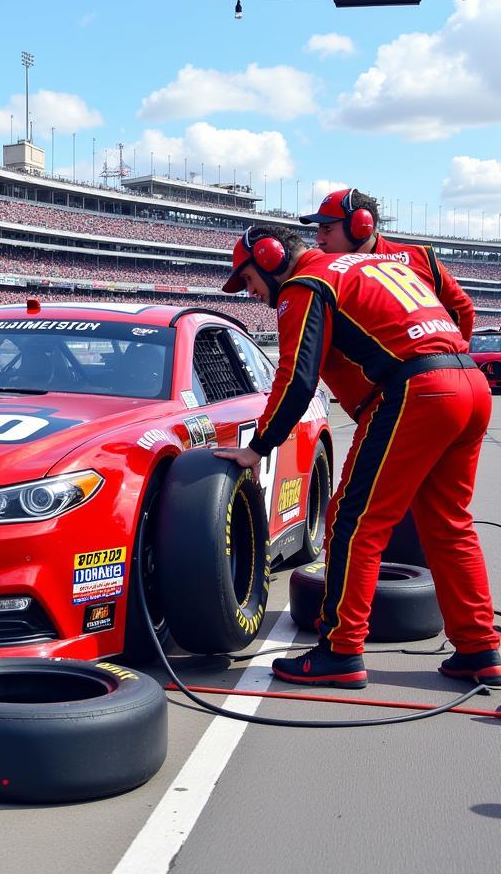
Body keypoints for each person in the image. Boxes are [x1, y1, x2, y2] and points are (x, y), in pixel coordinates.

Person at [214, 225, 499, 688]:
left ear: (268, 256)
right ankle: (480, 649)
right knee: (449, 523)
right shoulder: (371, 265)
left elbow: (295, 379)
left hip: (415, 393)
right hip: (469, 383)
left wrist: (258, 447)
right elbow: (457, 309)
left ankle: (340, 650)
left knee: (352, 520)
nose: (250, 293)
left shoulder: (305, 283)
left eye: (247, 280)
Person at [301, 188, 474, 340]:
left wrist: (457, 355)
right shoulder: (326, 272)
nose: (319, 239)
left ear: (360, 226)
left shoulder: (421, 257)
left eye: (327, 229)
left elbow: (463, 309)